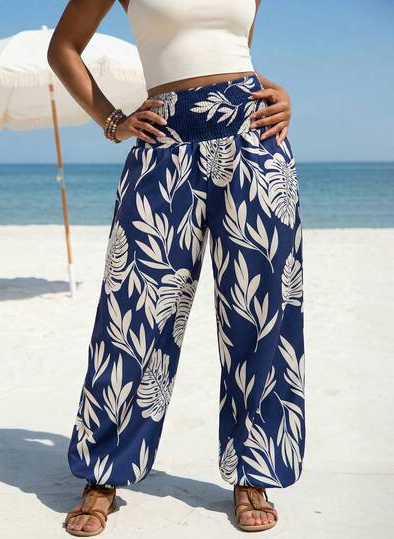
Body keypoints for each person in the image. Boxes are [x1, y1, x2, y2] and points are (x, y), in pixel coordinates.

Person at [47, 0, 305, 535]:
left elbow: (230, 52)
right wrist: (113, 121)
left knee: (259, 316)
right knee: (135, 313)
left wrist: (279, 92)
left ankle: (253, 472)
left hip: (253, 139)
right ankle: (104, 471)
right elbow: (63, 48)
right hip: (163, 142)